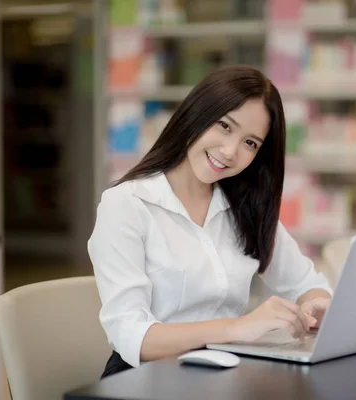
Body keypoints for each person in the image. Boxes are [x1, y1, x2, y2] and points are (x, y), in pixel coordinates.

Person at [88, 65, 333, 378]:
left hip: (223, 375)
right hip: (144, 379)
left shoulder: (245, 207)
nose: (230, 152)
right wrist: (239, 327)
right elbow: (134, 337)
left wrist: (316, 305)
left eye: (251, 143)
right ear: (196, 114)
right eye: (225, 126)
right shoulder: (127, 204)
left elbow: (307, 285)